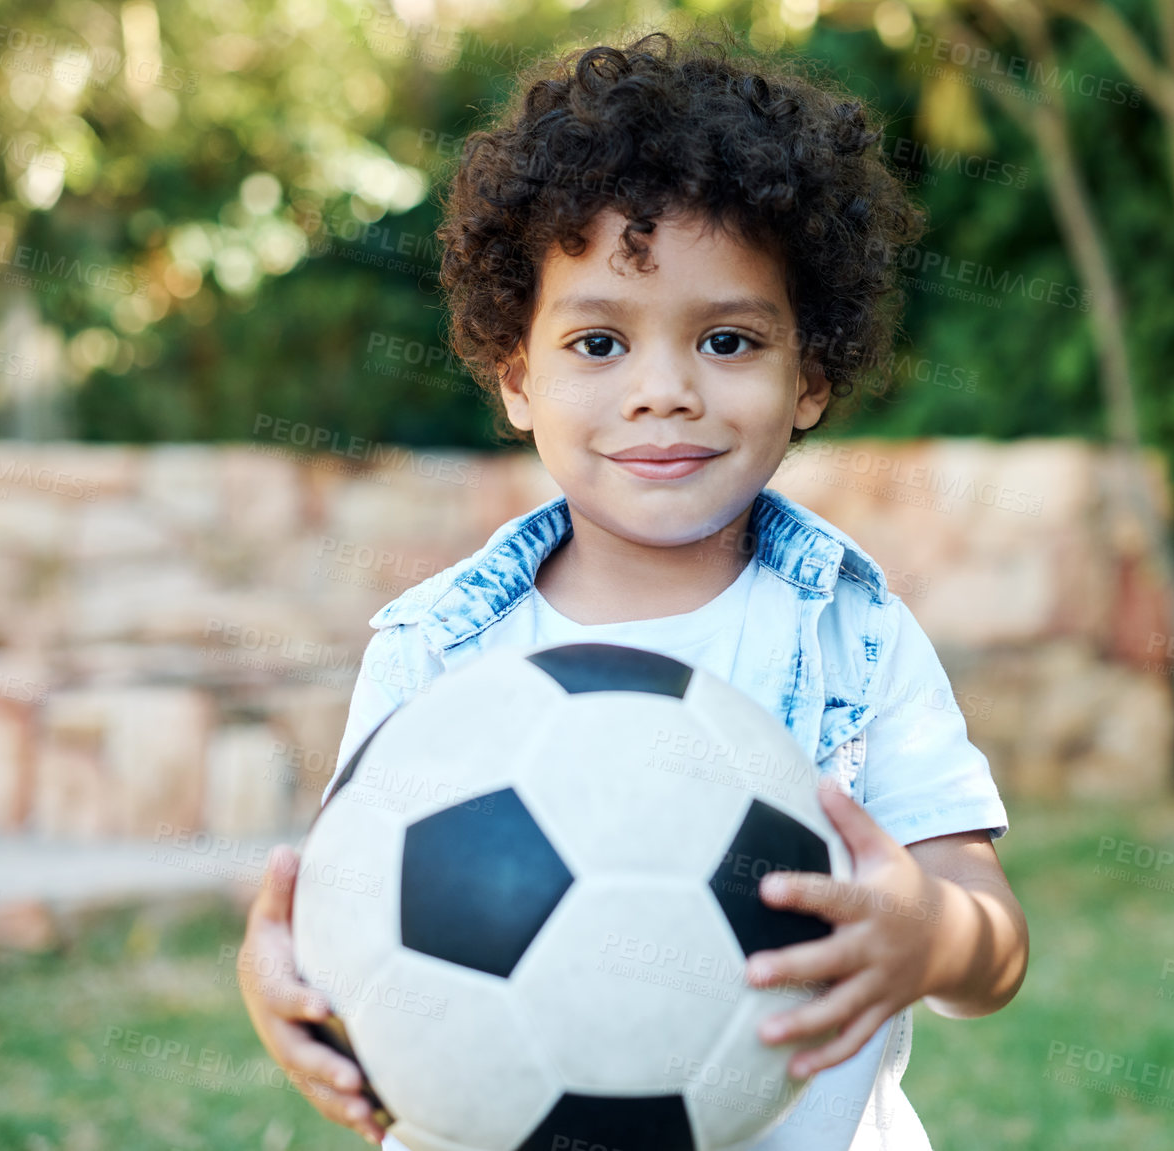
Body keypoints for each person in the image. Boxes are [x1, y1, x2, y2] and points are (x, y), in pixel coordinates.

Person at [236, 26, 1028, 1150]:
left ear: (810, 376)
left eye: (726, 339)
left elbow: (988, 933)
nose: (663, 392)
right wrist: (281, 981)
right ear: (518, 378)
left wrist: (932, 936)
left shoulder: (851, 633)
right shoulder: (437, 651)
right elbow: (346, 913)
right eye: (600, 342)